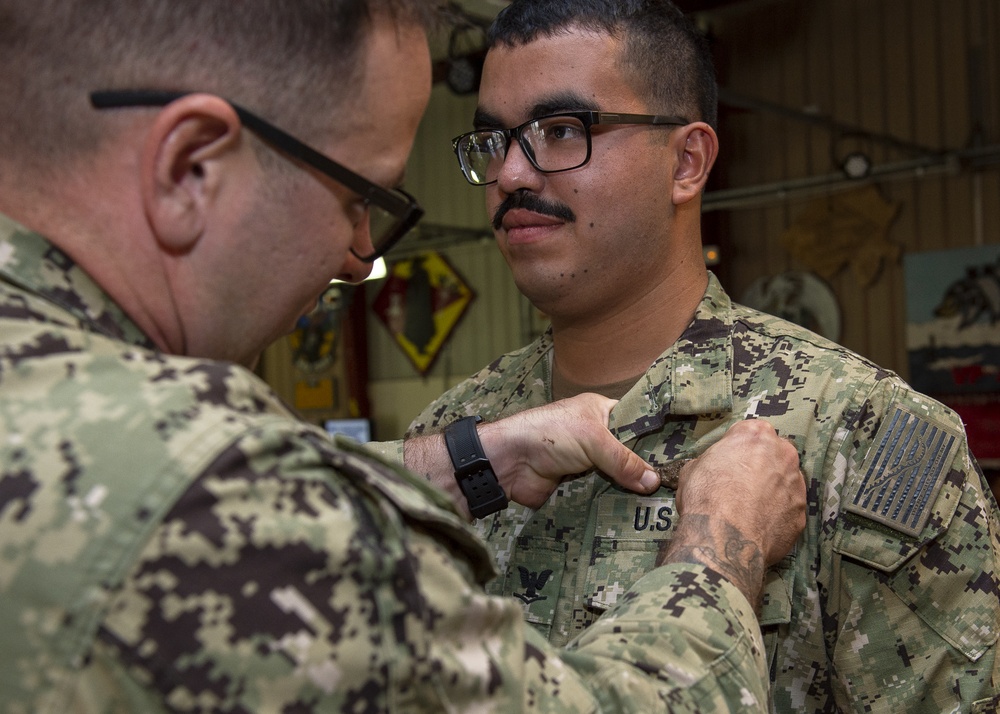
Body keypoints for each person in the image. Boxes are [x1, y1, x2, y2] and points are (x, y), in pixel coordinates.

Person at [0, 0, 809, 712]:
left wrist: (463, 461)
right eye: (360, 196)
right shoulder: (206, 488)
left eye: (562, 132)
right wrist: (719, 545)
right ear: (190, 168)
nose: (359, 256)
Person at [382, 0, 1000, 711]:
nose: (512, 174)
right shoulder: (459, 439)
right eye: (494, 140)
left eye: (560, 131)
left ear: (687, 161)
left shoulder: (867, 437)